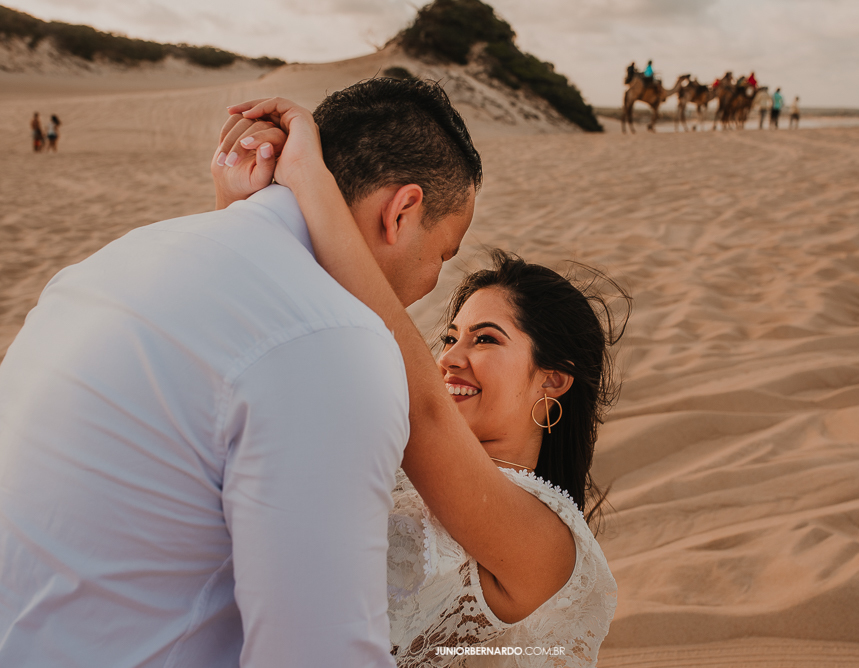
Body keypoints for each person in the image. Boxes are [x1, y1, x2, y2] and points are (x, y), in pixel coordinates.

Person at [0, 78, 481, 667]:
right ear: (402, 211)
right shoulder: (334, 343)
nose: (436, 279)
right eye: (444, 252)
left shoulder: (108, 261)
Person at [216, 96, 626, 665]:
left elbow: (425, 408)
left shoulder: (548, 544)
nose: (450, 357)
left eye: (486, 339)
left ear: (552, 382)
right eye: (450, 337)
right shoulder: (385, 465)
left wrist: (312, 181)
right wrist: (240, 206)